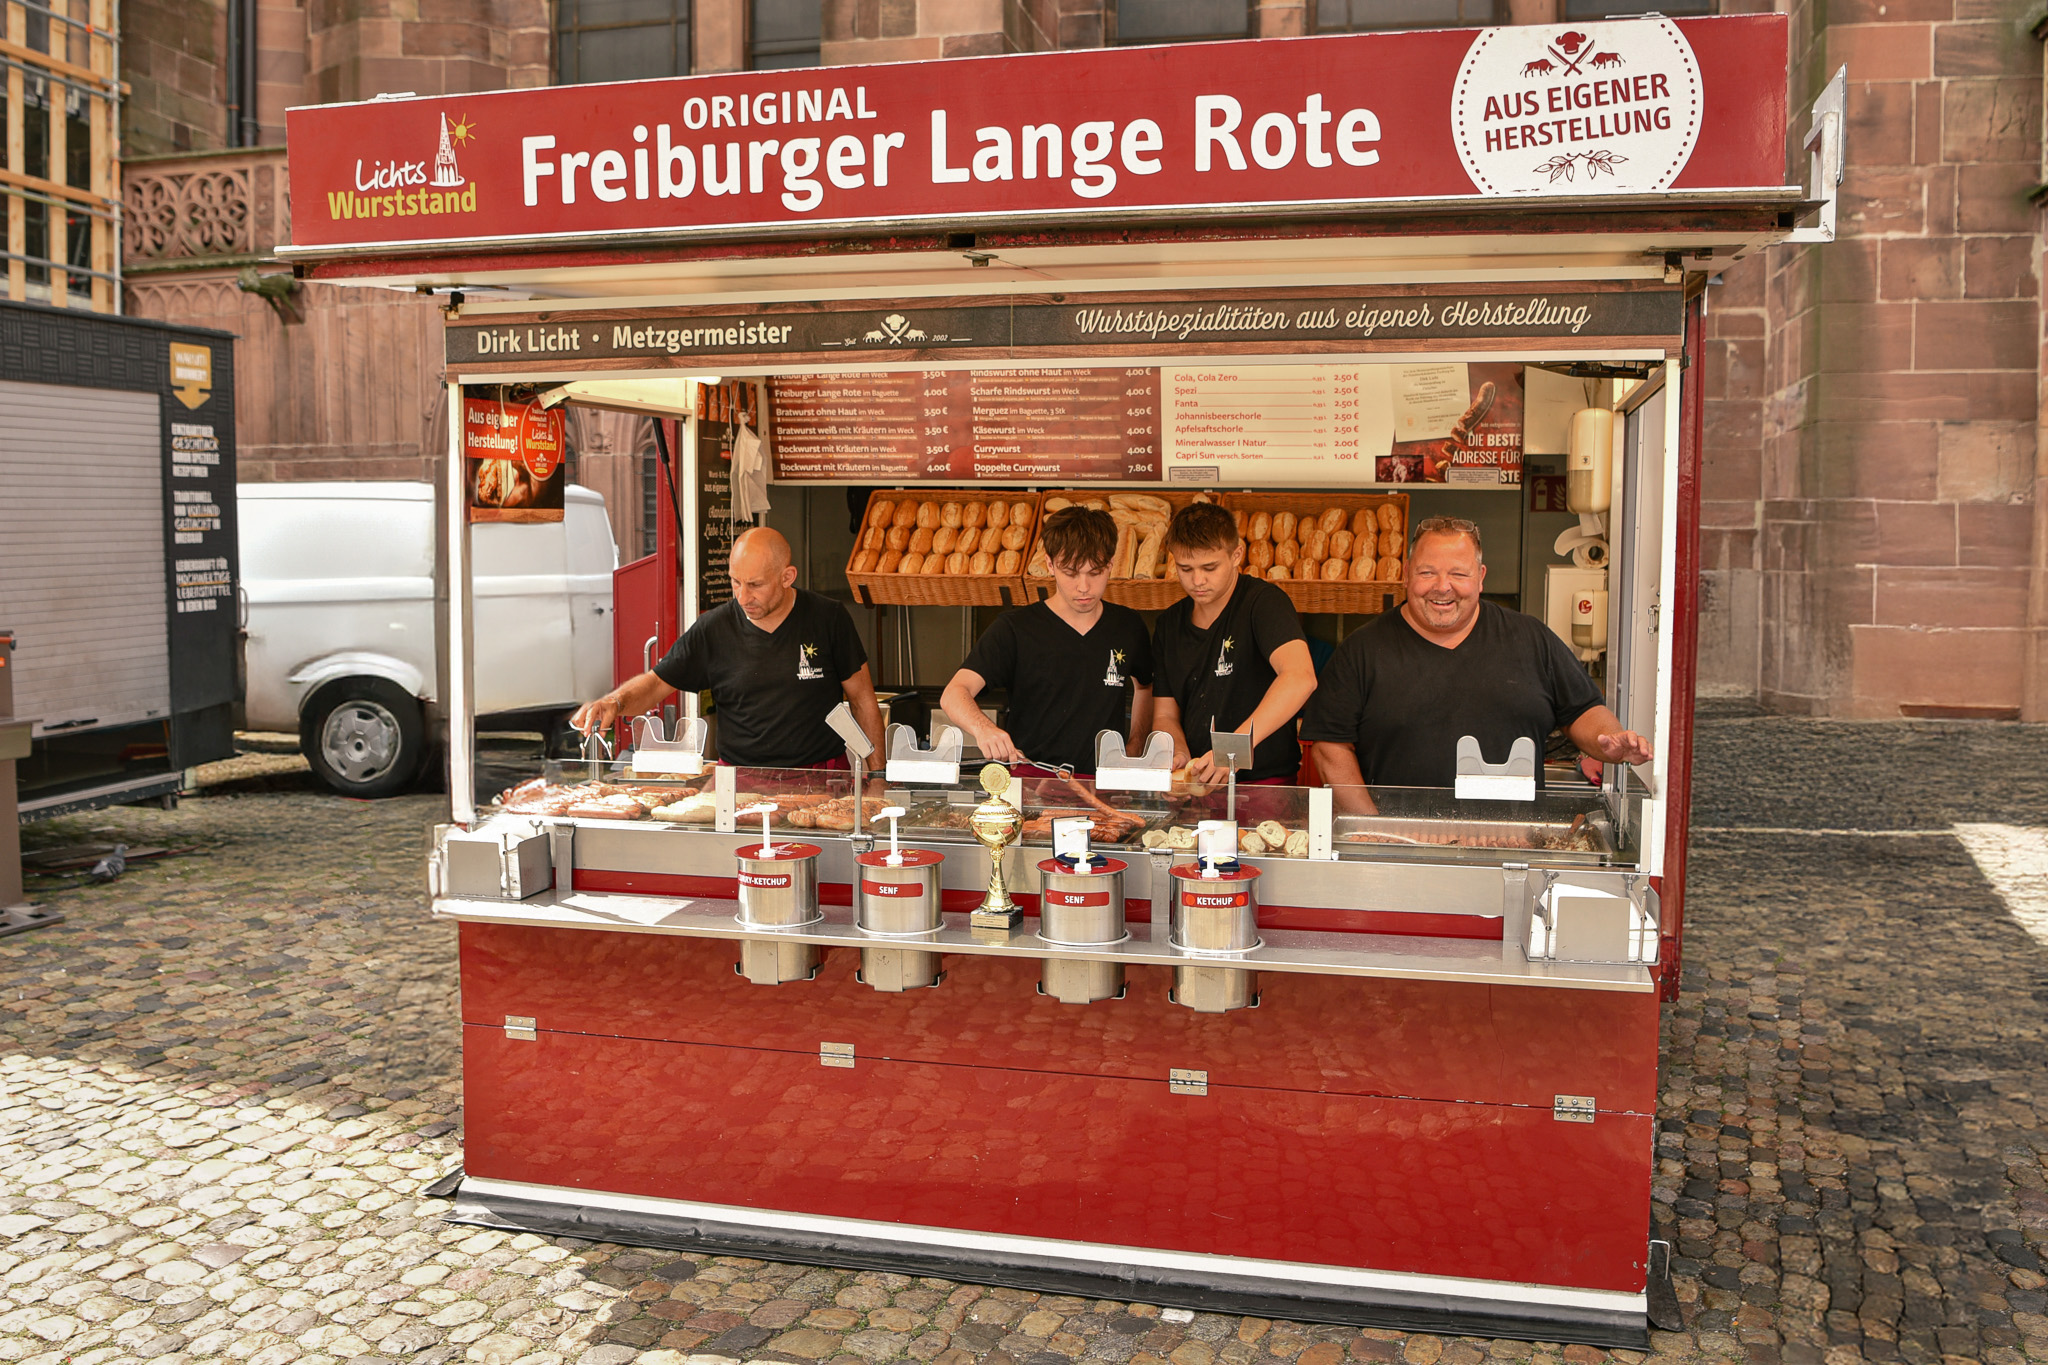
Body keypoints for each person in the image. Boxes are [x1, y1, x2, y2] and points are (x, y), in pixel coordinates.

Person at [1301, 515, 1652, 797]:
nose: (1442, 586)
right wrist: (1373, 834)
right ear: (1406, 574)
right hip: (1399, 849)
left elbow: (1583, 711)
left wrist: (1612, 743)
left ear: (1480, 578)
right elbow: (1331, 749)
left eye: (1459, 574)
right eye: (1427, 572)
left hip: (1511, 851)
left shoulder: (1530, 638)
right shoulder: (1362, 651)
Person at [570, 527, 884, 768]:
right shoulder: (713, 629)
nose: (743, 597)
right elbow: (654, 684)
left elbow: (862, 699)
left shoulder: (828, 618)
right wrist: (615, 701)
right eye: (735, 582)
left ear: (787, 577)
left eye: (756, 585)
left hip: (821, 776)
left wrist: (877, 777)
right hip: (740, 781)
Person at [940, 506, 1153, 775]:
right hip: (1030, 783)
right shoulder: (1015, 629)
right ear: (1050, 564)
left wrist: (1134, 748)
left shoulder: (1128, 626)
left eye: (1095, 572)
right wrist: (984, 729)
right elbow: (954, 693)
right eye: (1071, 573)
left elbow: (1146, 688)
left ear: (1111, 564)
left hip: (1102, 786)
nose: (1084, 587)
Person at [1149, 501, 1317, 784]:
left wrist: (1231, 750)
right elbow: (1165, 714)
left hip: (1264, 786)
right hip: (1196, 787)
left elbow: (1301, 678)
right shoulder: (1169, 624)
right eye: (1185, 568)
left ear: (1236, 554)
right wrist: (1175, 751)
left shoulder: (1264, 604)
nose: (1197, 580)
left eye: (1209, 567)